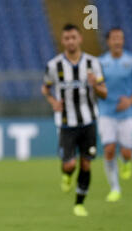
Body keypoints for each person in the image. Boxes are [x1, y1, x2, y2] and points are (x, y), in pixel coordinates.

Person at [41, 24, 107, 216]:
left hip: (89, 121)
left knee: (86, 163)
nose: (70, 41)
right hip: (66, 123)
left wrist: (96, 86)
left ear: (80, 39)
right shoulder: (54, 65)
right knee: (70, 164)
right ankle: (67, 175)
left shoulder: (93, 63)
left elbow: (104, 93)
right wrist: (53, 101)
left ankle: (79, 203)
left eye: (73, 37)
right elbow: (45, 88)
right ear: (63, 41)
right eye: (67, 38)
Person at [98, 27, 132, 202]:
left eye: (120, 38)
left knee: (126, 152)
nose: (117, 41)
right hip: (106, 112)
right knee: (109, 149)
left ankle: (127, 161)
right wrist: (94, 87)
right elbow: (96, 86)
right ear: (108, 41)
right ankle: (115, 188)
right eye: (114, 38)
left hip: (126, 113)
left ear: (123, 40)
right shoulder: (101, 63)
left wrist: (130, 100)